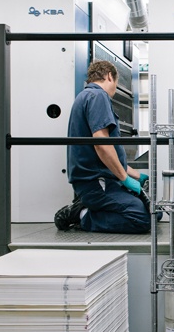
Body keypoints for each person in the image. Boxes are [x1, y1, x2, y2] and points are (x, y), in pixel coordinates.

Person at [54, 60, 151, 233]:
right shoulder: (98, 96)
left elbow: (107, 153)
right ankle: (82, 215)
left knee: (154, 211)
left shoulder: (86, 97)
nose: (115, 89)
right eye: (116, 83)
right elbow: (102, 145)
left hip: (103, 180)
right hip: (97, 183)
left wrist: (136, 175)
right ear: (108, 76)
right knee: (141, 218)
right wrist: (125, 179)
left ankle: (88, 207)